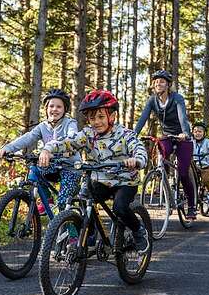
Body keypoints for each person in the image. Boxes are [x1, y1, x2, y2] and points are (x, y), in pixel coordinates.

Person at [38, 89, 150, 253]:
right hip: (99, 180)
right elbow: (68, 141)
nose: (96, 122)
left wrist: (137, 160)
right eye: (92, 118)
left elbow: (139, 149)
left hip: (124, 181)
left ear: (112, 117)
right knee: (83, 198)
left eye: (101, 117)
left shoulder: (125, 134)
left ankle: (139, 231)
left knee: (120, 208)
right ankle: (87, 234)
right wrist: (47, 149)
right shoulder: (88, 134)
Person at [0, 89, 80, 213]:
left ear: (64, 109)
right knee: (34, 172)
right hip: (53, 165)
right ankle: (47, 201)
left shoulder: (70, 123)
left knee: (63, 202)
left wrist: (48, 148)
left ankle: (72, 232)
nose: (54, 109)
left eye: (59, 107)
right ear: (46, 109)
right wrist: (7, 148)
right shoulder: (43, 126)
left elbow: (71, 138)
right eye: (51, 106)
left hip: (70, 167)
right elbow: (27, 138)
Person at [133, 69, 197, 220]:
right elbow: (143, 119)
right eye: (156, 82)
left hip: (183, 136)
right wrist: (133, 135)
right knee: (161, 156)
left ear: (168, 85)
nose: (158, 84)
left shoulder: (177, 98)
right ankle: (166, 186)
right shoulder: (152, 100)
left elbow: (182, 117)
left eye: (162, 81)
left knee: (183, 172)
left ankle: (192, 206)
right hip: (167, 135)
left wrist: (185, 133)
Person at [191, 121, 209, 205]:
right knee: (189, 179)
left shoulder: (207, 142)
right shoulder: (192, 142)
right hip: (194, 166)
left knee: (206, 180)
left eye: (200, 131)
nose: (197, 133)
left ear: (204, 133)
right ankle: (191, 196)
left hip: (206, 167)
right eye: (195, 131)